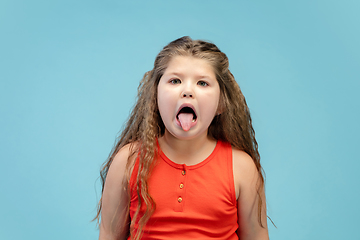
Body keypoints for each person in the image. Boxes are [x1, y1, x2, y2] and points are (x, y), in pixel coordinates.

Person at [95, 36, 269, 240]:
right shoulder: (128, 161)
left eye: (202, 83)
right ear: (155, 96)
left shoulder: (241, 168)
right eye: (175, 81)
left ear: (222, 103)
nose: (187, 91)